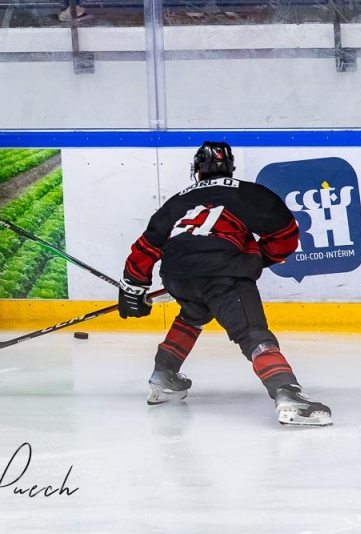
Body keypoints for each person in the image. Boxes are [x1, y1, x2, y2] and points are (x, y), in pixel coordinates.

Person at [118, 141, 332, 426]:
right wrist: (253, 258)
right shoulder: (249, 193)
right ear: (230, 167)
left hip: (177, 274)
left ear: (197, 170)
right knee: (252, 332)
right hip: (223, 273)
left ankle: (163, 376)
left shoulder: (178, 200)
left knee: (193, 314)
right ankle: (287, 395)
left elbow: (146, 247)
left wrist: (133, 286)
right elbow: (286, 235)